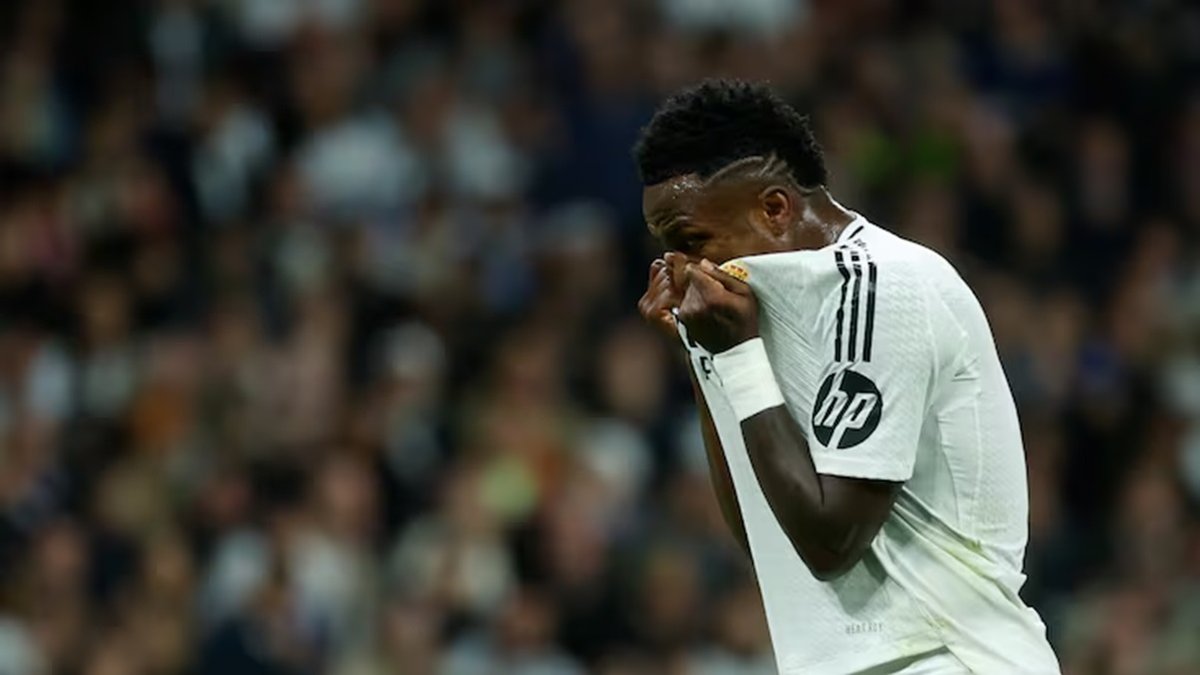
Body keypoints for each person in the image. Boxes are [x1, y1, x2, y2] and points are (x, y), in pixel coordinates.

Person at [634, 80, 1061, 674]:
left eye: (691, 242)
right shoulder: (754, 315)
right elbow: (766, 534)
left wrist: (736, 357)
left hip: (947, 658)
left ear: (774, 209)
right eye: (667, 251)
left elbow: (830, 540)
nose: (682, 271)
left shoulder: (885, 286)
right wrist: (700, 354)